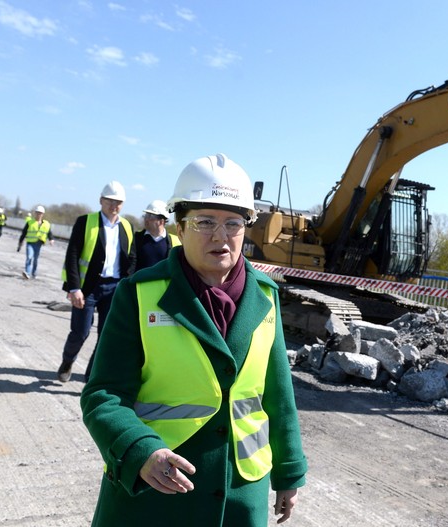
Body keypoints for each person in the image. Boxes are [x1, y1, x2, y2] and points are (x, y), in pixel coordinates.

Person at [80, 153, 306, 526]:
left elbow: (278, 397)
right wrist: (140, 451)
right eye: (204, 222)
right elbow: (102, 395)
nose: (220, 236)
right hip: (154, 491)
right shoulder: (139, 294)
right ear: (179, 228)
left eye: (233, 223)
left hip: (240, 493)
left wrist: (289, 472)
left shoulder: (266, 297)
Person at [58, 181, 135, 383]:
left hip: (115, 288)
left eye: (118, 202)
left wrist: (127, 284)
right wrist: (74, 288)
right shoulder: (86, 222)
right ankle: (67, 361)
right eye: (110, 200)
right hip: (88, 289)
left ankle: (91, 374)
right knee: (80, 332)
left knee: (106, 335)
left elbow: (131, 258)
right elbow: (72, 255)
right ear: (101, 200)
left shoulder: (127, 226)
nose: (114, 205)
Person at [128, 199, 181, 273]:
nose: (146, 219)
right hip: (141, 283)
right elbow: (131, 266)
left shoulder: (175, 241)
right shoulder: (136, 238)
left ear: (161, 221)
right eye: (146, 215)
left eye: (150, 216)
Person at [17, 205, 54, 279]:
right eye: (37, 213)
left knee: (35, 259)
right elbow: (24, 232)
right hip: (30, 243)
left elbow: (49, 232)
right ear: (35, 213)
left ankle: (34, 273)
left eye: (40, 213)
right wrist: (20, 241)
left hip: (39, 243)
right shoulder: (30, 222)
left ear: (43, 214)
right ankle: (27, 273)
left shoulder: (46, 224)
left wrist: (51, 239)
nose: (38, 214)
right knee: (29, 257)